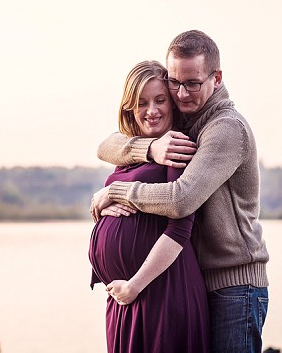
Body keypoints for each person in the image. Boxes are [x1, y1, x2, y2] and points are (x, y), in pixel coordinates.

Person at [90, 30, 269, 353]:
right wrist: (150, 148)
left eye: (192, 83)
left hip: (235, 287)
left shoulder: (225, 128)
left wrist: (119, 192)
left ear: (216, 77)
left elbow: (180, 199)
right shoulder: (187, 121)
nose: (182, 94)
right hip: (202, 281)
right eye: (175, 82)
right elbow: (106, 146)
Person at [88, 60, 208, 352]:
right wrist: (104, 207)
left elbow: (180, 230)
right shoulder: (135, 150)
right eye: (141, 102)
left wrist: (135, 285)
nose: (151, 110)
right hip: (125, 298)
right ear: (130, 107)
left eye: (160, 100)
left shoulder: (176, 148)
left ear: (172, 103)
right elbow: (105, 148)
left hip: (160, 292)